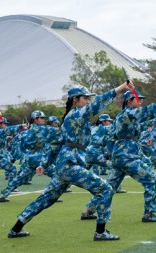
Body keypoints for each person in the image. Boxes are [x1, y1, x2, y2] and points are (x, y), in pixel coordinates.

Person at [7, 82, 133, 241]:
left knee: (46, 198)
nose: (87, 101)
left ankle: (16, 228)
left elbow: (57, 144)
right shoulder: (75, 115)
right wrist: (120, 89)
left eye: (88, 98)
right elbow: (96, 106)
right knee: (106, 189)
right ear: (75, 99)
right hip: (69, 164)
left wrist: (44, 164)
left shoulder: (72, 118)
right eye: (85, 98)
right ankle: (101, 232)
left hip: (65, 164)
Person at [105, 90, 156, 222]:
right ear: (129, 101)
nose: (141, 101)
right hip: (128, 156)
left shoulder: (126, 116)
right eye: (137, 99)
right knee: (153, 180)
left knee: (109, 187)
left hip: (120, 155)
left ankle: (89, 210)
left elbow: (142, 123)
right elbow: (147, 111)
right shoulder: (128, 113)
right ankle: (149, 214)